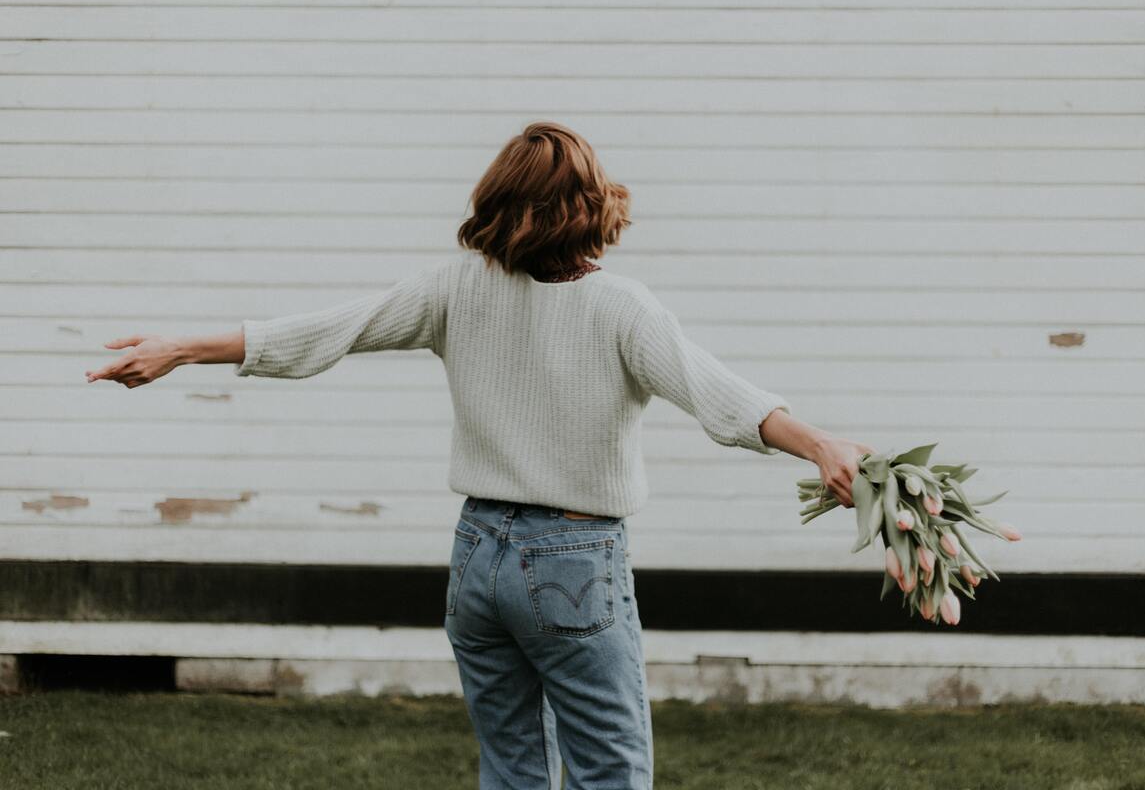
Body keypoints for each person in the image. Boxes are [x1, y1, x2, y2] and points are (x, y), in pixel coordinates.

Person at [85, 121, 873, 789]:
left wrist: (182, 348)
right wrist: (821, 445)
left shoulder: (456, 288)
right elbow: (723, 396)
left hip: (478, 558)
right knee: (611, 773)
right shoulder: (621, 307)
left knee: (512, 772)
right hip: (572, 561)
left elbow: (327, 332)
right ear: (592, 207)